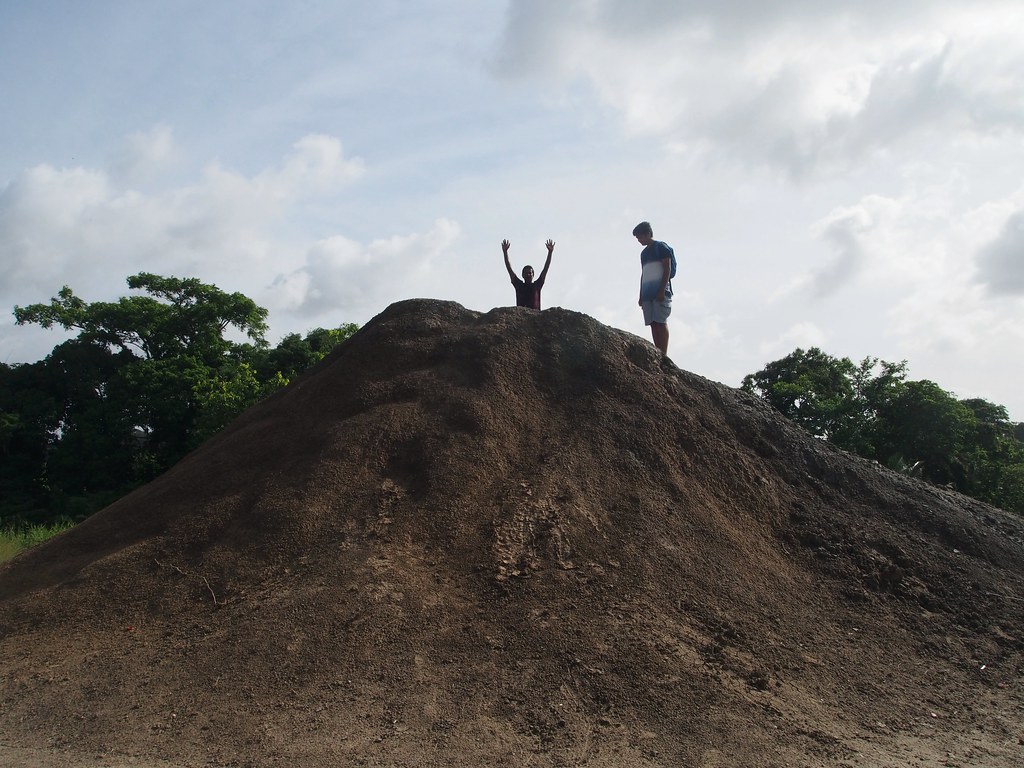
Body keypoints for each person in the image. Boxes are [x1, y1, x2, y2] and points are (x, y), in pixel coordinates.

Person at [633, 221, 673, 355]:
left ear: (648, 234)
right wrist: (641, 295)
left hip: (660, 291)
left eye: (640, 237)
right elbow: (644, 273)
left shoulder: (661, 247)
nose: (639, 240)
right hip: (647, 293)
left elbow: (667, 268)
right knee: (653, 323)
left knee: (660, 322)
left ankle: (664, 354)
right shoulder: (643, 254)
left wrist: (662, 290)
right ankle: (658, 351)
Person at [503, 238, 554, 309]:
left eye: (530, 273)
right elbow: (509, 269)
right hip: (521, 316)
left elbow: (545, 269)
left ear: (533, 275)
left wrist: (550, 253)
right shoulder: (519, 285)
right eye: (526, 273)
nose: (528, 274)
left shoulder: (537, 285)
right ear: (522, 275)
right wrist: (505, 253)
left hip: (535, 317)